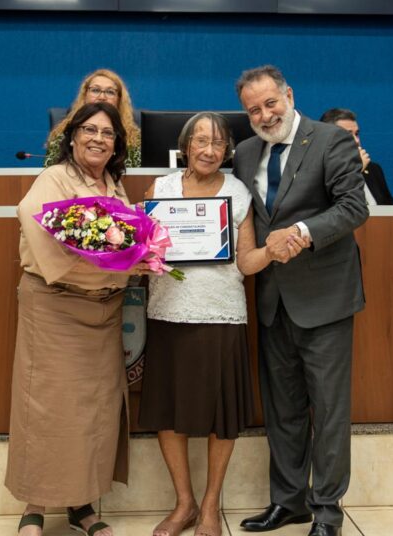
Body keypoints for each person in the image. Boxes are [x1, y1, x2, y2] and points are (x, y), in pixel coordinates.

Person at [140, 113, 304, 536]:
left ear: (228, 150)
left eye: (217, 143)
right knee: (168, 413)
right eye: (200, 142)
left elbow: (247, 263)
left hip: (221, 315)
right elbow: (144, 249)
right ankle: (185, 504)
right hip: (168, 312)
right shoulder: (161, 189)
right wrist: (142, 256)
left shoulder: (238, 193)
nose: (209, 150)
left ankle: (210, 506)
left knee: (221, 416)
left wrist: (271, 250)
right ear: (185, 147)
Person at [231, 65, 368, 536]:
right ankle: (288, 503)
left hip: (325, 298)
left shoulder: (330, 140)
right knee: (283, 411)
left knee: (328, 412)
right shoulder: (245, 152)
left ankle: (327, 513)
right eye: (253, 109)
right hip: (272, 301)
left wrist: (304, 233)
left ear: (289, 94)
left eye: (271, 103)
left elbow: (354, 207)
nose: (264, 115)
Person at [7, 102, 136, 536]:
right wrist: (114, 267)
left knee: (94, 414)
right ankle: (35, 506)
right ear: (73, 135)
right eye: (90, 130)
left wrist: (141, 258)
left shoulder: (115, 184)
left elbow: (128, 243)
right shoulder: (55, 177)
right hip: (56, 307)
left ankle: (82, 505)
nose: (99, 139)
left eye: (108, 133)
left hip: (104, 311)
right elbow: (37, 228)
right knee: (46, 408)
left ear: (117, 144)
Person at [45, 69, 142, 167]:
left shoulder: (135, 138)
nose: (102, 97)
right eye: (95, 90)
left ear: (119, 99)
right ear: (85, 95)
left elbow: (141, 175)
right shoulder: (63, 133)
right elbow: (49, 171)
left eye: (110, 92)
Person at [319, 108, 393, 205]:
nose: (356, 140)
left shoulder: (373, 169)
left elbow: (391, 210)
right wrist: (355, 171)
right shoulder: (319, 173)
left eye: (356, 134)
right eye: (348, 134)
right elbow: (332, 210)